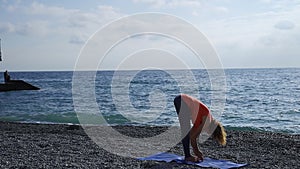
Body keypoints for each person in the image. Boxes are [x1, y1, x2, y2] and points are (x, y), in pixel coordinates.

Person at [173, 94, 227, 162]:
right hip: (183, 101)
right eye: (211, 134)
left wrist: (196, 151)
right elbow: (193, 137)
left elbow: (191, 136)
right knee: (185, 129)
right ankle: (187, 156)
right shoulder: (207, 121)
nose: (208, 134)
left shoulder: (205, 120)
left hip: (179, 99)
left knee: (185, 130)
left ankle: (188, 155)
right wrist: (197, 151)